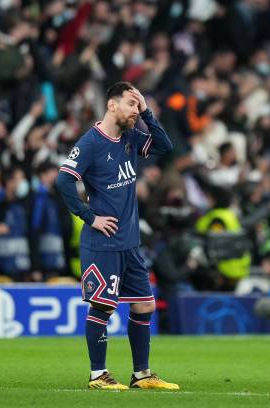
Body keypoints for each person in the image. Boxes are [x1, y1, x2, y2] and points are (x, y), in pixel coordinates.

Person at [56, 82, 177, 390]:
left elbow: (165, 146)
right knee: (103, 307)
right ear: (112, 105)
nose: (135, 111)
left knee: (144, 305)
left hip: (130, 242)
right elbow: (64, 181)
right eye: (131, 105)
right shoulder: (91, 142)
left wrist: (148, 111)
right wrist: (90, 217)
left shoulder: (130, 137)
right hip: (103, 243)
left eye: (138, 106)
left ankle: (142, 375)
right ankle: (98, 375)